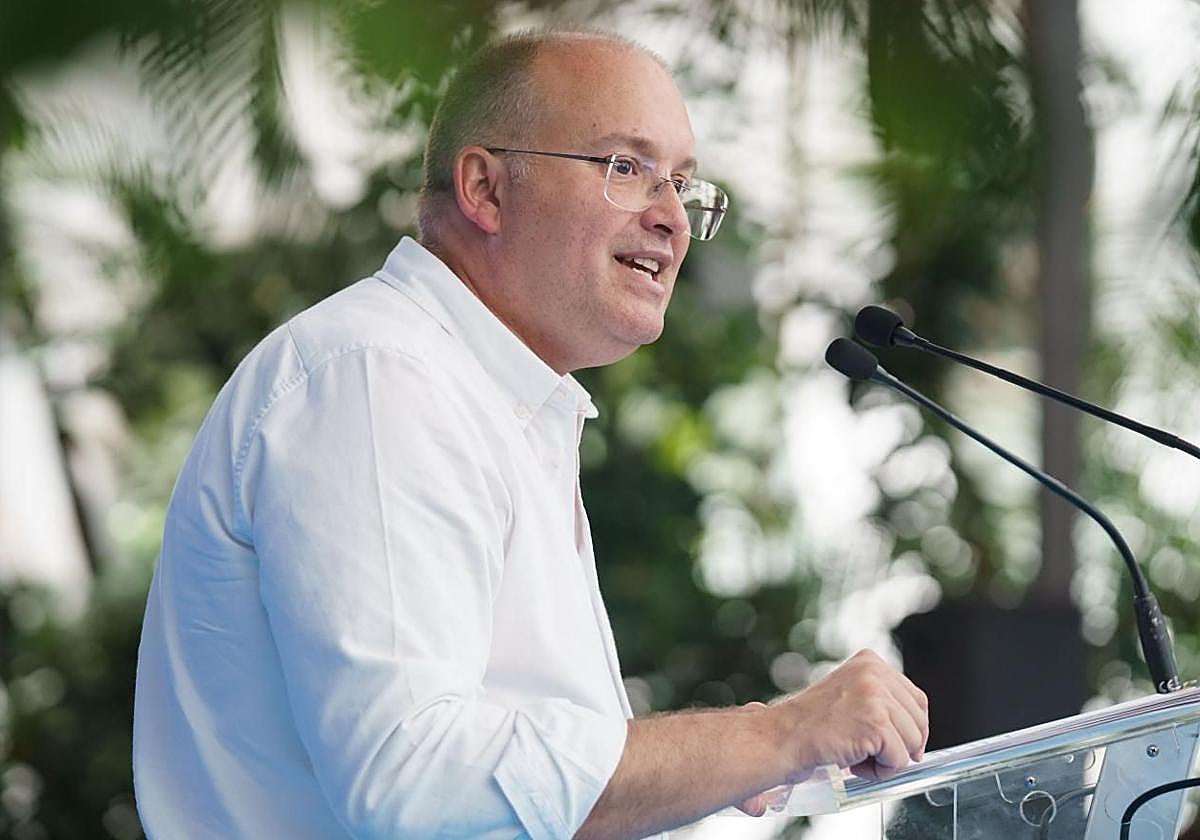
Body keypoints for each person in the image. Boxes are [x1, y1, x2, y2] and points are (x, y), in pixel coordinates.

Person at [132, 26, 928, 840]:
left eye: (683, 186)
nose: (671, 220)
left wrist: (744, 762)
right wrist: (778, 733)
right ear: (485, 188)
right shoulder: (377, 377)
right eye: (627, 168)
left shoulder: (496, 397)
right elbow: (414, 776)